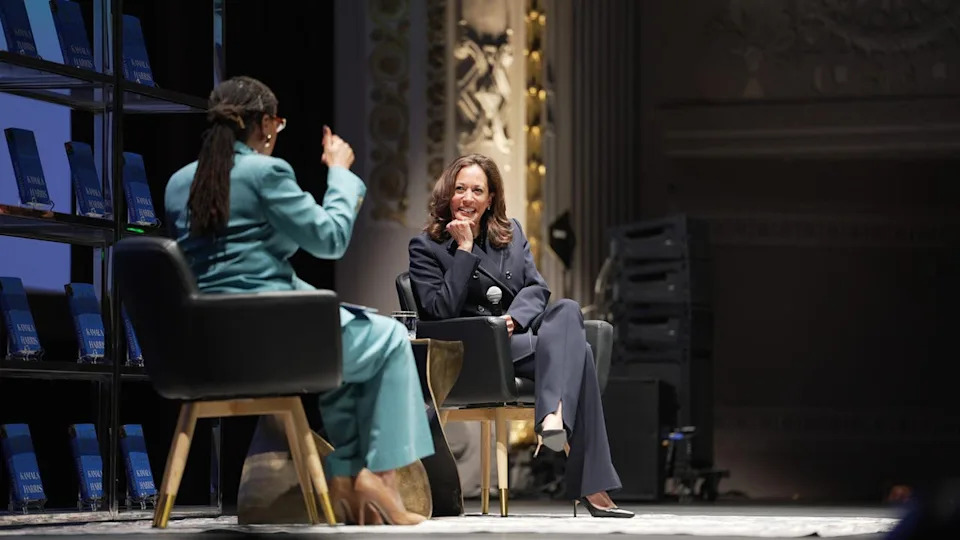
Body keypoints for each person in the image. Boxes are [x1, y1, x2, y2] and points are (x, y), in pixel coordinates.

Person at [164, 75, 432, 526]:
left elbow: (235, 248)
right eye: (278, 125)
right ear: (266, 124)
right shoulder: (266, 173)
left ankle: (347, 479)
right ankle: (381, 479)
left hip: (207, 349)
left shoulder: (179, 183)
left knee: (351, 350)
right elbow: (330, 239)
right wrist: (340, 174)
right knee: (387, 338)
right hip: (275, 340)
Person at [407, 154, 634, 518]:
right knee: (581, 354)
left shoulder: (509, 233)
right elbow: (439, 311)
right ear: (447, 195)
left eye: (477, 190)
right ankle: (587, 475)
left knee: (567, 309)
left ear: (490, 199)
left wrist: (514, 318)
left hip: (516, 340)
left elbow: (537, 288)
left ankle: (554, 417)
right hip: (472, 351)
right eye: (460, 189)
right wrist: (464, 250)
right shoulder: (426, 246)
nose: (467, 198)